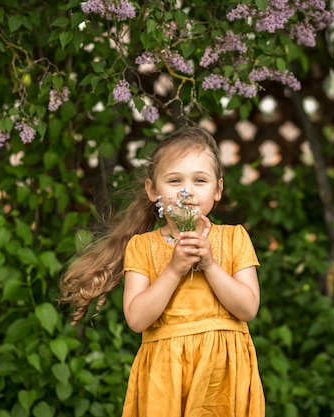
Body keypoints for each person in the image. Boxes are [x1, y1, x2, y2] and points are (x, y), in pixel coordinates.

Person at [59, 125, 265, 416]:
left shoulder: (234, 238)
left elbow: (247, 309)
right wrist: (173, 269)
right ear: (152, 190)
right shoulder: (142, 247)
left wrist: (209, 264)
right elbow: (137, 318)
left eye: (200, 180)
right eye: (174, 180)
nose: (187, 191)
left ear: (218, 189)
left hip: (222, 373)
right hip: (166, 373)